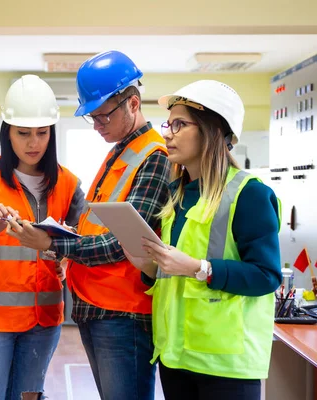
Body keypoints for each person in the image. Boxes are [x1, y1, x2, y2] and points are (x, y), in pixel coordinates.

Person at [6, 51, 171, 400]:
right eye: (92, 118)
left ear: (133, 103)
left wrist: (50, 244)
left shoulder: (154, 157)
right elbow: (99, 229)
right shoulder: (120, 150)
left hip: (123, 314)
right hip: (96, 306)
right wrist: (63, 242)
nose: (97, 125)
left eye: (103, 116)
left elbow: (119, 244)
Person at [121, 80, 282, 400]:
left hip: (225, 365)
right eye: (169, 123)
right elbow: (173, 271)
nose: (167, 133)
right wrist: (149, 267)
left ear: (211, 130)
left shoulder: (249, 193)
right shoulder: (178, 194)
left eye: (179, 124)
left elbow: (267, 276)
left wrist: (200, 268)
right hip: (176, 357)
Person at [0, 74, 86, 400]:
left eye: (42, 133)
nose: (33, 143)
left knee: (28, 396)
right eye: (23, 133)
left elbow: (81, 242)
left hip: (44, 321)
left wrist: (64, 255)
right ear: (7, 132)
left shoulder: (68, 184)